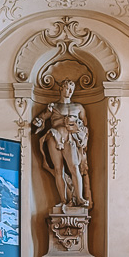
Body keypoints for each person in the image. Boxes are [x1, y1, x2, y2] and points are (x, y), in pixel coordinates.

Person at [33, 79, 92, 208]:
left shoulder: (78, 107)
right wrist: (38, 122)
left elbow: (85, 126)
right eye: (67, 88)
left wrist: (80, 132)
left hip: (70, 138)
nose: (70, 92)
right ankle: (64, 200)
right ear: (61, 88)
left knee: (74, 167)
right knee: (58, 169)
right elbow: (41, 119)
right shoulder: (53, 107)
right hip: (54, 136)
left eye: (72, 89)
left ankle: (79, 197)